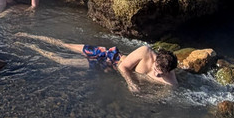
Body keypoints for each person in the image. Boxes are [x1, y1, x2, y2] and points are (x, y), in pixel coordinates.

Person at [16, 33, 177, 91]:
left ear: (168, 71)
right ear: (156, 60)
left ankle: (29, 47)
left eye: (160, 73)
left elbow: (166, 93)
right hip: (109, 55)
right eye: (156, 68)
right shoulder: (145, 52)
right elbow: (123, 67)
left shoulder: (169, 79)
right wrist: (131, 83)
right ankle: (30, 38)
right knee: (65, 46)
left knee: (63, 61)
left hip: (104, 67)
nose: (156, 73)